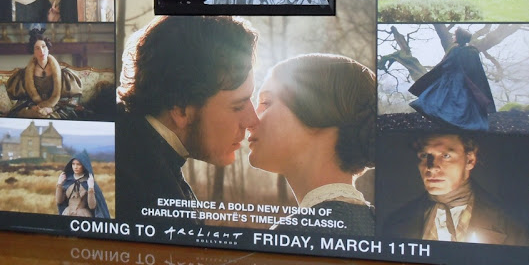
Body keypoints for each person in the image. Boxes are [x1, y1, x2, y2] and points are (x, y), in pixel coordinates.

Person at [116, 16, 258, 223]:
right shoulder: (142, 193)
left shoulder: (134, 148)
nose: (252, 120)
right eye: (238, 106)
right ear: (181, 109)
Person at [247, 54, 376, 236]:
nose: (250, 120)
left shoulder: (291, 237)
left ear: (318, 112)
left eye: (266, 103)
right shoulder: (382, 228)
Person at [382, 132, 529, 245]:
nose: (432, 167)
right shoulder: (396, 222)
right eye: (424, 155)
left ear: (470, 160)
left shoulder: (512, 223)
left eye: (446, 155)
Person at [409, 27, 495, 131]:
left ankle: (453, 123)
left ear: (460, 37)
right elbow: (475, 70)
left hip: (454, 81)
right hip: (467, 83)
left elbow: (446, 65)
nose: (453, 37)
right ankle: (462, 123)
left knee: (447, 101)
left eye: (455, 35)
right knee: (464, 104)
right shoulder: (472, 52)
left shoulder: (456, 51)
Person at [4, 28, 84, 119]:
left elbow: (74, 98)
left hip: (58, 109)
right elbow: (22, 98)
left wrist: (51, 109)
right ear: (33, 52)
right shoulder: (24, 75)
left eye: (43, 46)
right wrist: (32, 108)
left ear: (48, 48)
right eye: (37, 48)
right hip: (34, 109)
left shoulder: (63, 74)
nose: (41, 51)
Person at [56, 151, 110, 218]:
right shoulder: (68, 181)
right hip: (67, 213)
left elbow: (92, 206)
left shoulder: (88, 181)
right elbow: (59, 201)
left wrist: (90, 188)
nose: (75, 167)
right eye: (73, 164)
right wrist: (59, 184)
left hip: (83, 215)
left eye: (78, 164)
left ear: (84, 165)